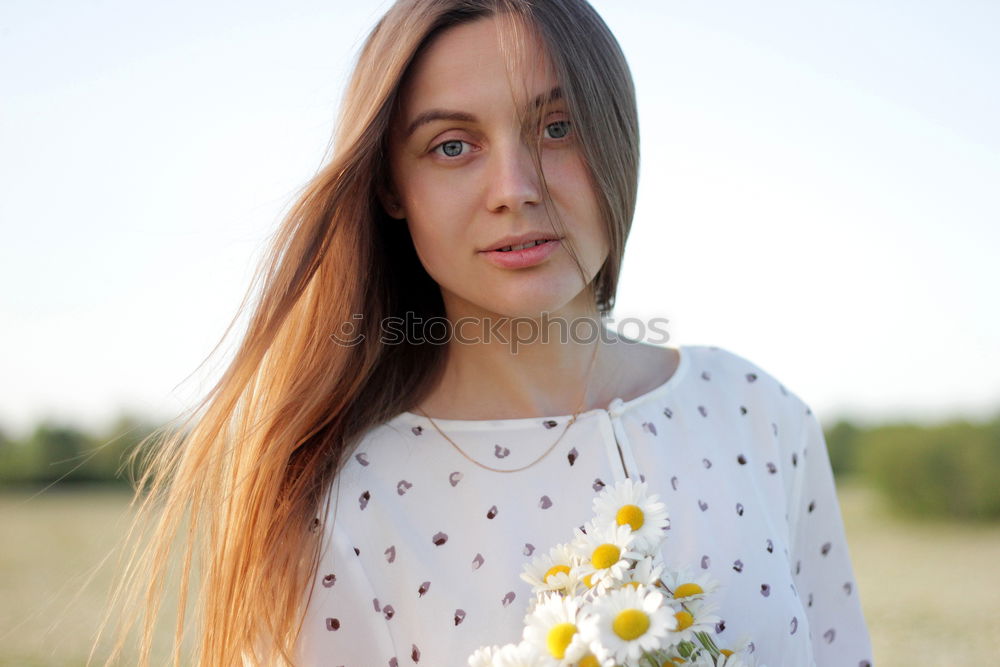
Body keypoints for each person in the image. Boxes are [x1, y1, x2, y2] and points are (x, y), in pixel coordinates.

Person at [103, 1, 872, 665]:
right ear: (391, 189)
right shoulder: (340, 503)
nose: (515, 189)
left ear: (617, 138)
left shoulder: (757, 416)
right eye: (452, 145)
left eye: (558, 127)